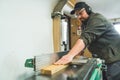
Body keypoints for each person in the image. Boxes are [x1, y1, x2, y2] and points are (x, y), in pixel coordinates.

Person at [54, 2, 120, 80]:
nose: (79, 17)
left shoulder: (97, 19)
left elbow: (85, 37)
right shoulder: (84, 25)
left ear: (88, 10)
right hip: (104, 58)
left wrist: (69, 56)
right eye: (77, 15)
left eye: (81, 13)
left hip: (115, 59)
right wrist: (77, 54)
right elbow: (85, 41)